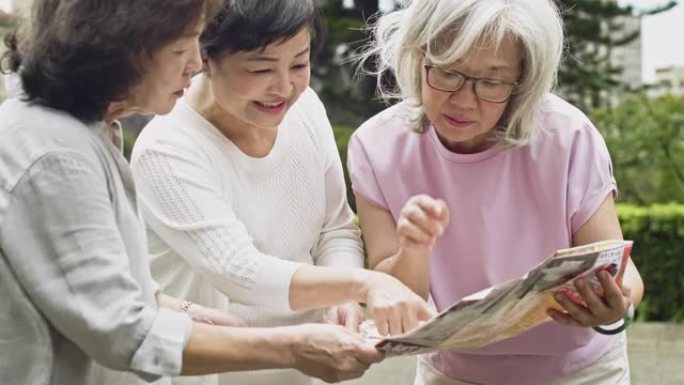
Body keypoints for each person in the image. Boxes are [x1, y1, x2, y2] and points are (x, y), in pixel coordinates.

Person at [0, 1, 384, 385]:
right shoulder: (58, 157)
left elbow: (96, 284)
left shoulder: (89, 132)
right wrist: (296, 344)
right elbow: (123, 333)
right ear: (125, 47)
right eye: (183, 49)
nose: (195, 65)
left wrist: (176, 308)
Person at [129, 1, 432, 384]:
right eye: (261, 69)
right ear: (204, 57)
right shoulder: (167, 150)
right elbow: (240, 272)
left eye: (299, 64)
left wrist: (340, 294)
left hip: (301, 370)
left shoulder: (303, 108)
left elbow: (335, 229)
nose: (284, 88)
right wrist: (364, 283)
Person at [348, 0, 645, 384]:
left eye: (491, 82)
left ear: (523, 82)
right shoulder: (377, 148)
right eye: (447, 72)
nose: (462, 100)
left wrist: (617, 306)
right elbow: (393, 292)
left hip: (581, 373)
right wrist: (415, 250)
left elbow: (622, 273)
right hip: (453, 372)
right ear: (418, 57)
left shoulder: (567, 137)